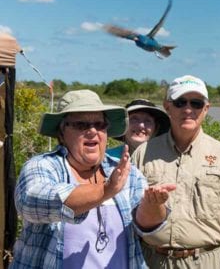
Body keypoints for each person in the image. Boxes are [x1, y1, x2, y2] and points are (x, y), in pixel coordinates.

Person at [10, 89, 176, 269]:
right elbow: (31, 203)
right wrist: (105, 191)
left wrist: (153, 205)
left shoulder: (126, 171)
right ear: (62, 132)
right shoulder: (43, 166)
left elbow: (145, 225)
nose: (92, 131)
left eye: (100, 124)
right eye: (81, 125)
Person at [132, 75, 220, 269]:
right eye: (180, 102)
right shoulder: (144, 152)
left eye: (196, 103)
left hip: (205, 261)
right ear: (167, 106)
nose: (188, 110)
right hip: (150, 260)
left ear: (206, 109)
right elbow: (126, 213)